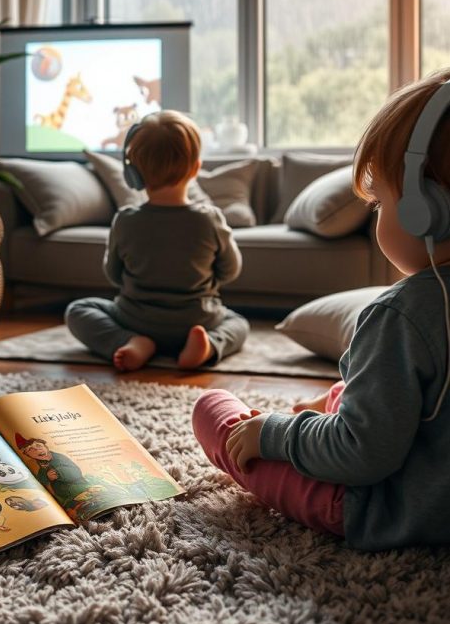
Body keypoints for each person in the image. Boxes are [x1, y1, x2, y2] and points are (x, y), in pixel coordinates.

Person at [193, 69, 450, 550]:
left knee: (213, 412)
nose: (377, 213)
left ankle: (300, 421)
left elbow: (361, 454)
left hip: (386, 507)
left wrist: (273, 435)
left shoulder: (402, 315)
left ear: (426, 209)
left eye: (378, 203)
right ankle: (336, 403)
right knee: (361, 391)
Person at [65, 110, 249, 371]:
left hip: (135, 319)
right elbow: (230, 270)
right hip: (196, 319)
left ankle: (132, 342)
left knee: (78, 310)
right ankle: (207, 345)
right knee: (238, 323)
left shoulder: (125, 220)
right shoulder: (209, 219)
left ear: (134, 172)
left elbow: (114, 274)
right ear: (196, 168)